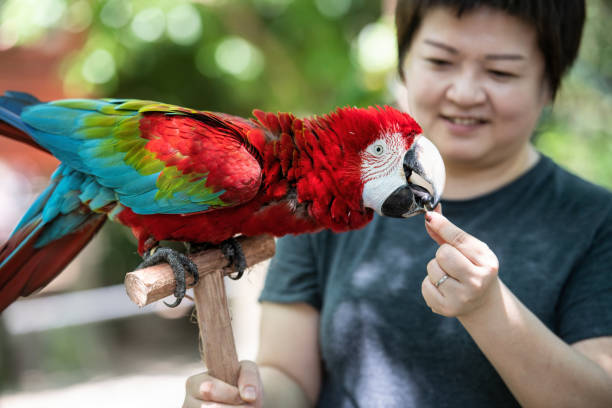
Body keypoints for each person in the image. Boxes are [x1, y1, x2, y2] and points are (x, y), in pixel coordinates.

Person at [183, 0, 612, 406]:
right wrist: (247, 399)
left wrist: (488, 310)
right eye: (441, 62)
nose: (464, 92)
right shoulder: (321, 200)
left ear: (550, 84)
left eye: (500, 72)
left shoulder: (597, 222)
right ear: (404, 64)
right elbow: (289, 376)